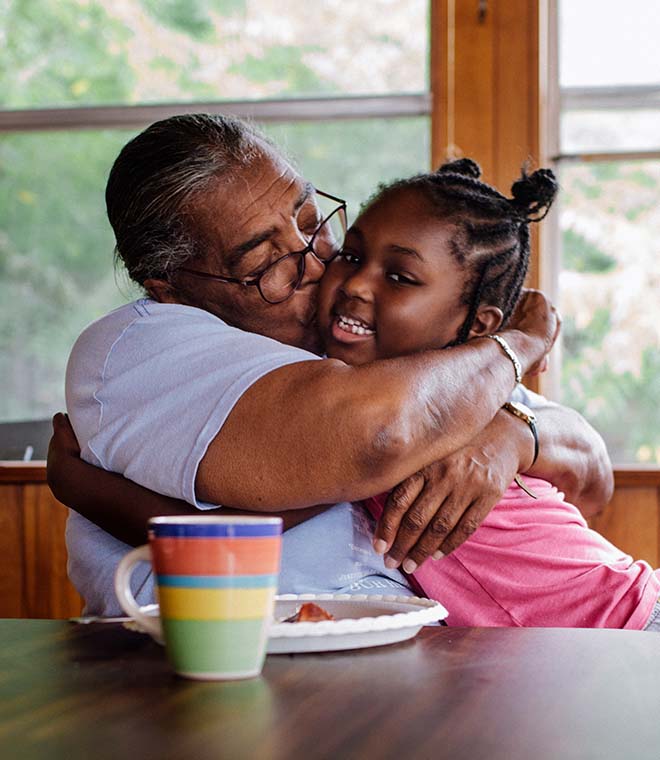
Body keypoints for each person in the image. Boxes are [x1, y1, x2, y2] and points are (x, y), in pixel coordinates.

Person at [49, 113, 611, 617]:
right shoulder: (140, 345)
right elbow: (379, 437)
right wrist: (516, 349)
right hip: (230, 676)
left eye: (313, 221)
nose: (319, 263)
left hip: (512, 648)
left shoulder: (374, 340)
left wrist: (511, 434)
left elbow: (591, 479)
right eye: (267, 260)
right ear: (169, 286)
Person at [313, 157, 659, 630]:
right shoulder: (345, 382)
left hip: (632, 622)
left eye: (399, 277)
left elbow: (594, 485)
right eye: (351, 256)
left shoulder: (453, 399)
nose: (354, 284)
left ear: (477, 326)